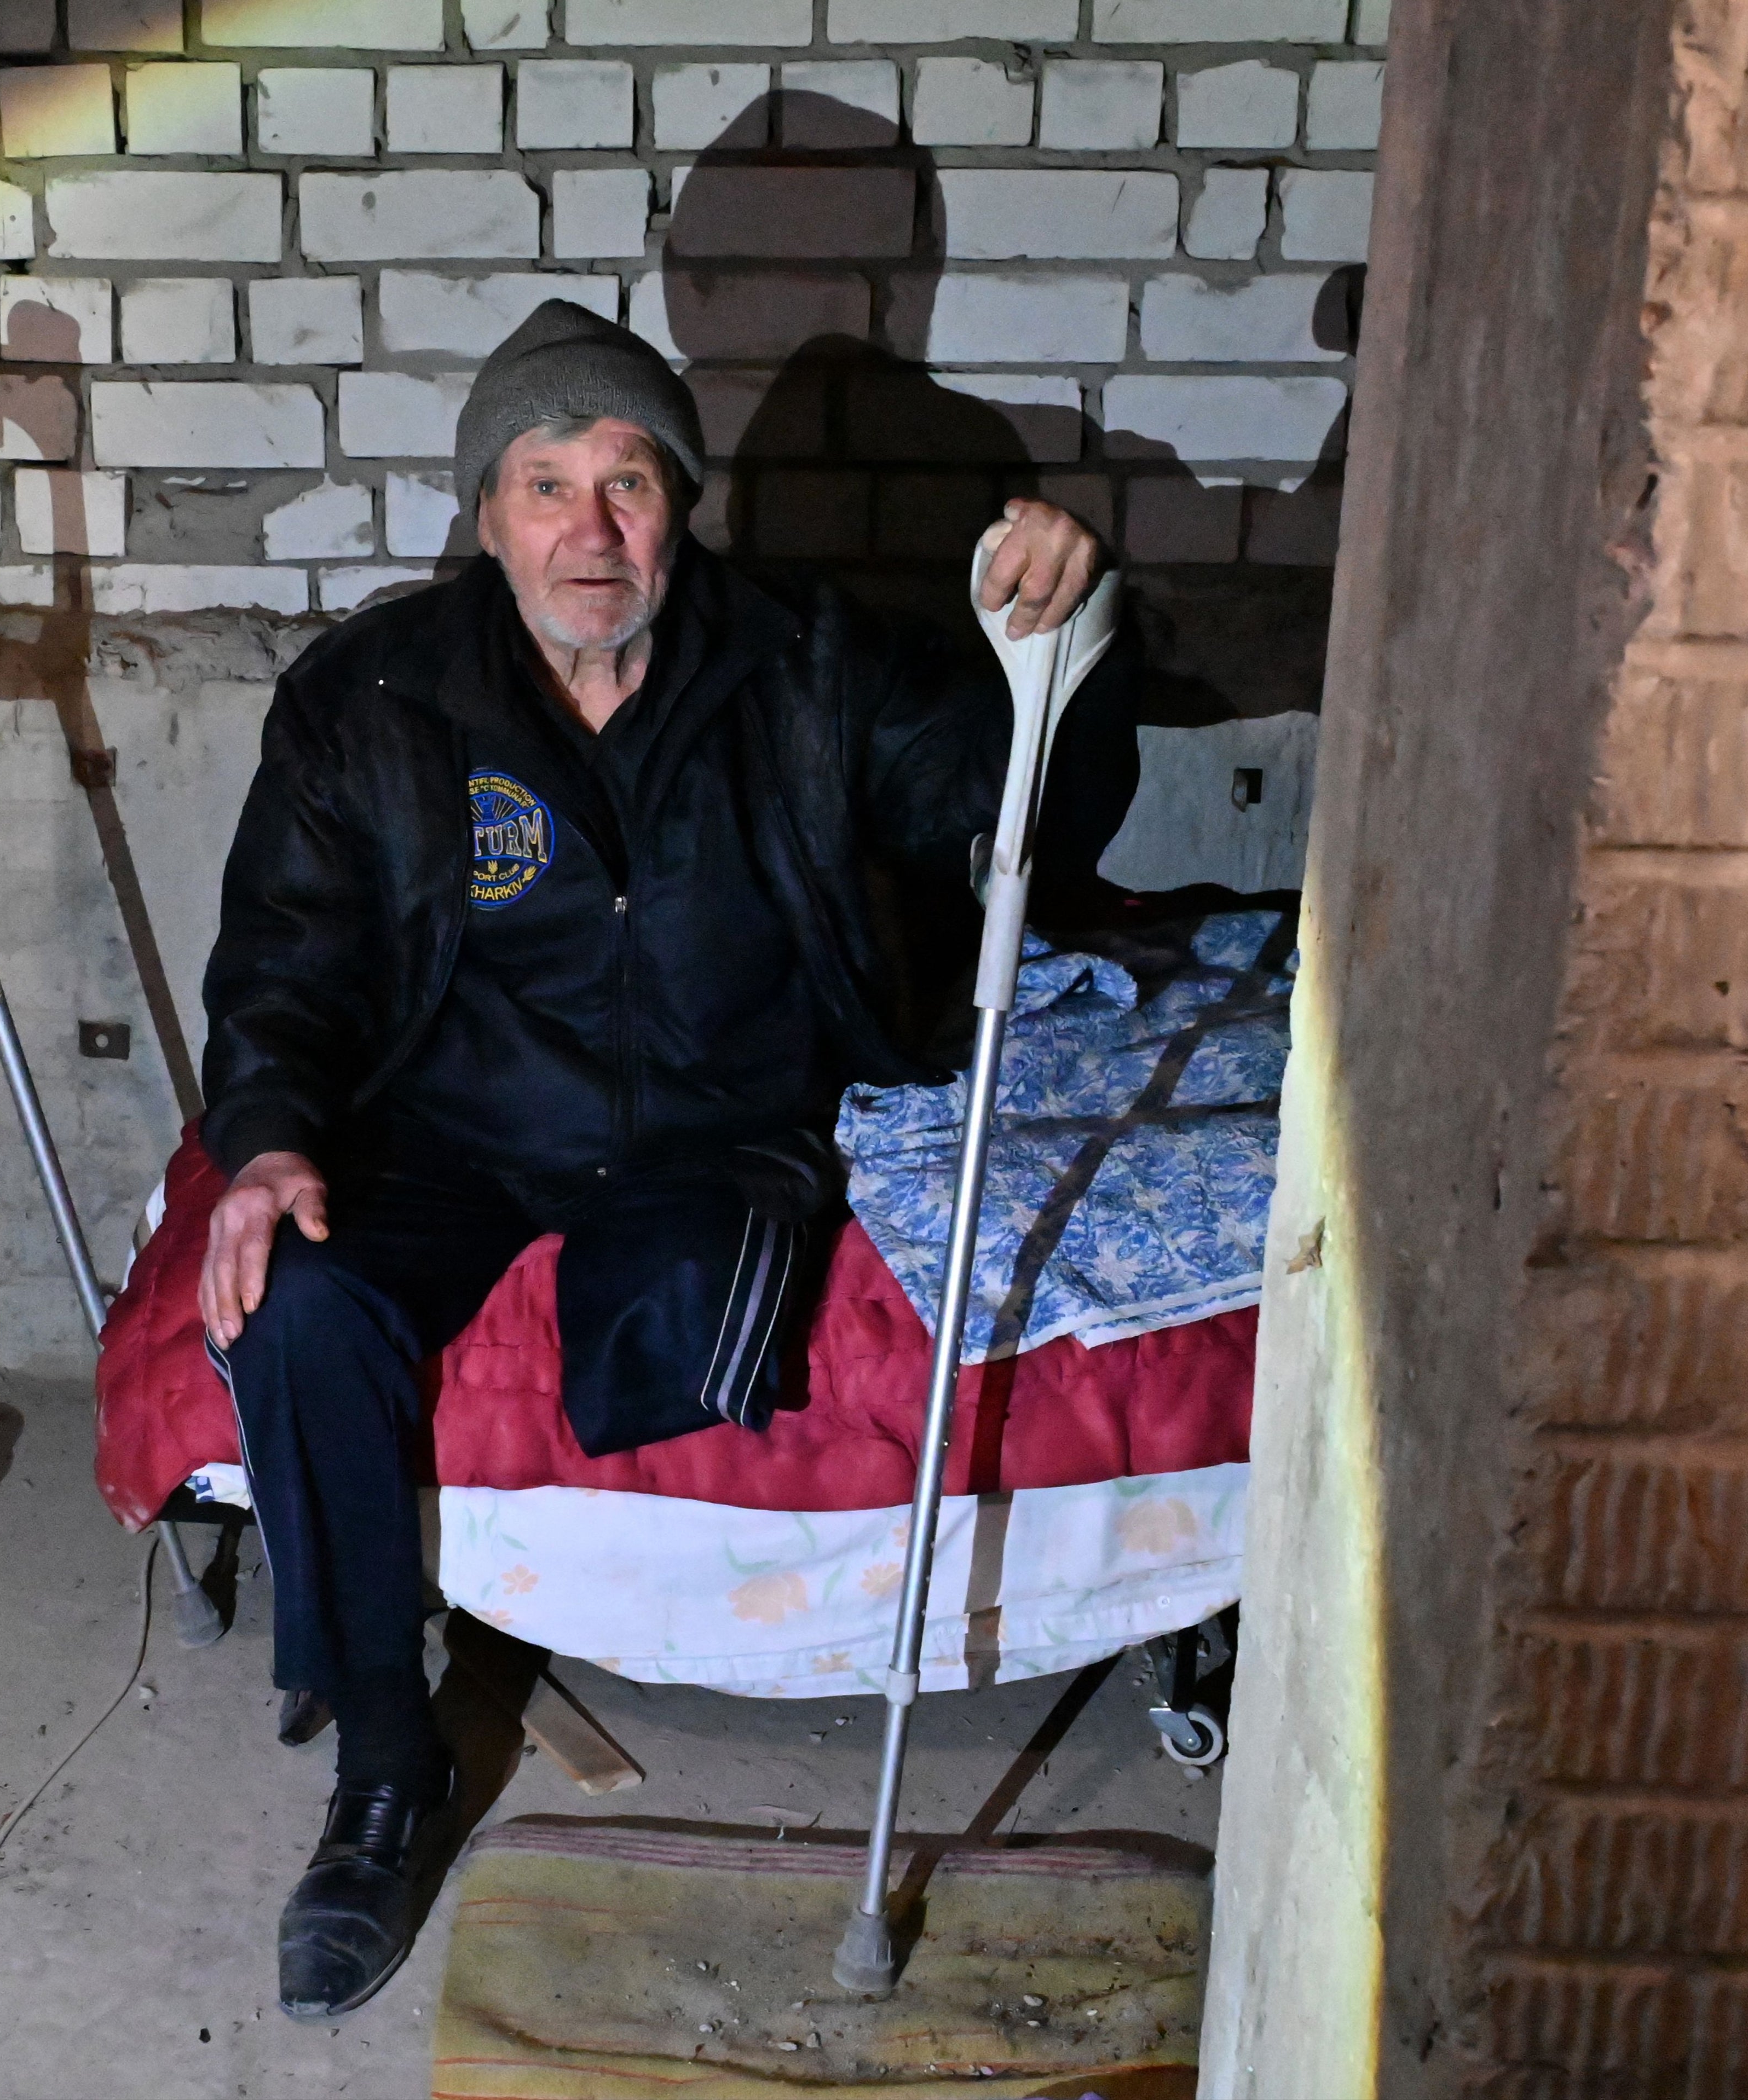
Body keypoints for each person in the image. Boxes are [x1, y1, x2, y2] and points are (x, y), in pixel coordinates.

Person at [195, 300, 1128, 2019]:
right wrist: (260, 1146)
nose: (591, 531)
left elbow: (1030, 827)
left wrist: (1066, 642)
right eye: (544, 485)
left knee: (703, 1328)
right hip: (451, 1127)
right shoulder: (375, 695)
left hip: (716, 1125)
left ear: (682, 501)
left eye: (628, 479)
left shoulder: (814, 663)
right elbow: (284, 961)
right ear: (484, 516)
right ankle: (385, 1775)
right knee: (299, 1305)